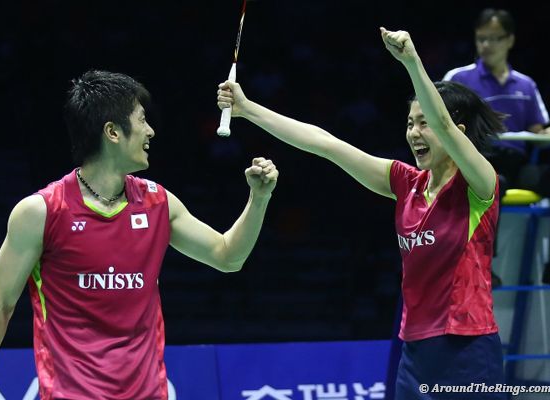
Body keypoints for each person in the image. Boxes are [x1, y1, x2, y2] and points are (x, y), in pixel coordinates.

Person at [217, 28, 506, 398]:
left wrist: (411, 62)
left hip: (468, 348)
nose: (415, 133)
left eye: (424, 123)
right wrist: (246, 110)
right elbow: (327, 145)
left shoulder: (480, 187)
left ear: (456, 132)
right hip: (414, 350)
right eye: (409, 123)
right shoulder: (405, 184)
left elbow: (446, 126)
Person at [0, 70, 278, 400]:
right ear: (112, 131)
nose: (151, 131)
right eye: (142, 120)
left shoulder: (158, 203)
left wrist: (259, 198)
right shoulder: (42, 212)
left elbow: (228, 257)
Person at [443, 8, 550, 286]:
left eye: (495, 38)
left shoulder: (526, 85)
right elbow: (441, 125)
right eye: (481, 38)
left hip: (517, 160)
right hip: (481, 161)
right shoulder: (459, 79)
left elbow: (536, 130)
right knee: (494, 184)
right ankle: (484, 267)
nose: (486, 45)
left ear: (510, 40)